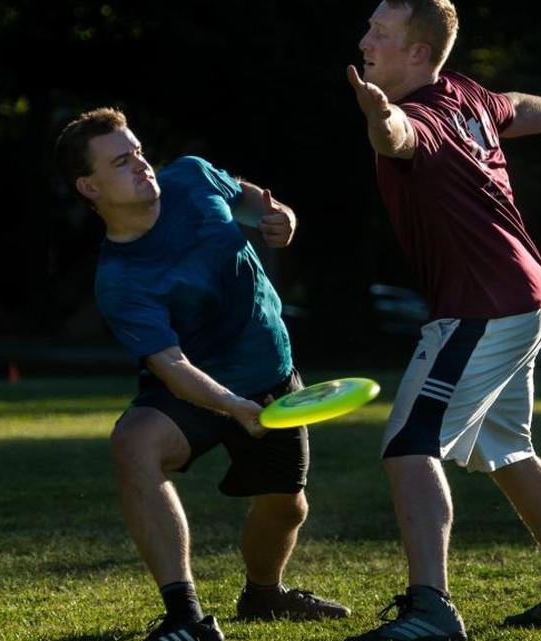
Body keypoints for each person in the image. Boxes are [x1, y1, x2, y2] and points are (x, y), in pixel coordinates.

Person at [344, 1, 541, 639]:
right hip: (527, 296)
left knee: (410, 447)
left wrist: (381, 119)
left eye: (379, 34)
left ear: (417, 54)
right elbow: (520, 106)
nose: (363, 42)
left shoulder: (421, 117)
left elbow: (401, 139)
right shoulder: (466, 92)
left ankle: (430, 611)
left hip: (485, 306)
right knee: (507, 448)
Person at [53, 108, 350, 641]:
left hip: (270, 375)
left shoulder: (189, 175)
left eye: (139, 151)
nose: (142, 166)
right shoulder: (120, 279)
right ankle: (184, 617)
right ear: (89, 186)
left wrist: (280, 214)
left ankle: (264, 594)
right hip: (192, 388)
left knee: (286, 509)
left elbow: (250, 194)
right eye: (122, 162)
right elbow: (170, 365)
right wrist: (233, 407)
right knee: (132, 443)